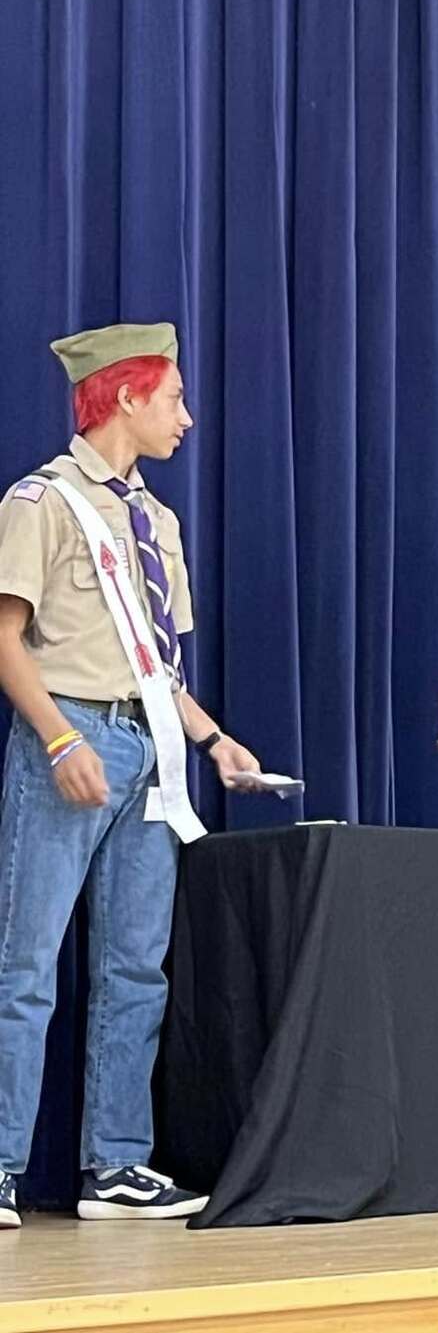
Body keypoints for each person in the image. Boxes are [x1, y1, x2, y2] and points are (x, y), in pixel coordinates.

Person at [0, 322, 263, 1228]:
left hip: (153, 745)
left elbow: (160, 667)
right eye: (174, 398)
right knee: (25, 960)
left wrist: (214, 740)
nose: (187, 417)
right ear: (124, 395)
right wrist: (61, 742)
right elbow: (4, 639)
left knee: (134, 966)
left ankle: (114, 1163)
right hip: (68, 733)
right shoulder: (41, 501)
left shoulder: (157, 521)